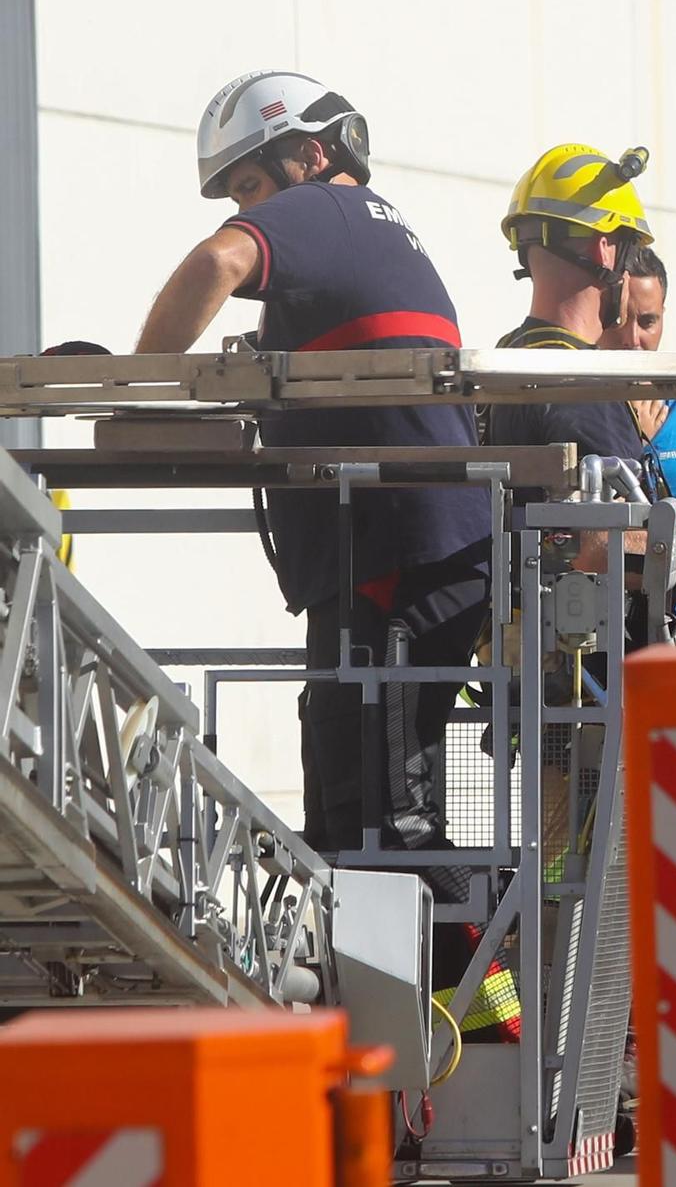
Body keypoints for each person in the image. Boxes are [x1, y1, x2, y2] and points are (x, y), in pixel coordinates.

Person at [134, 69, 491, 887]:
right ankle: (400, 1003)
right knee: (344, 822)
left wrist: (140, 380)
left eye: (251, 183)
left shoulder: (323, 209)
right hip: (393, 558)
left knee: (387, 826)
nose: (246, 207)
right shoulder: (368, 230)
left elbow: (216, 260)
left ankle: (476, 1010)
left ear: (312, 155)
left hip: (399, 558)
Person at [486, 144, 676, 586]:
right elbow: (604, 547)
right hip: (577, 648)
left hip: (517, 627)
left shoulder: (506, 360)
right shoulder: (585, 385)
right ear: (606, 251)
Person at [597, 244, 676, 534]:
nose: (632, 338)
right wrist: (637, 446)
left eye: (648, 321)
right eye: (619, 320)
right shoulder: (577, 403)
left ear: (663, 314)